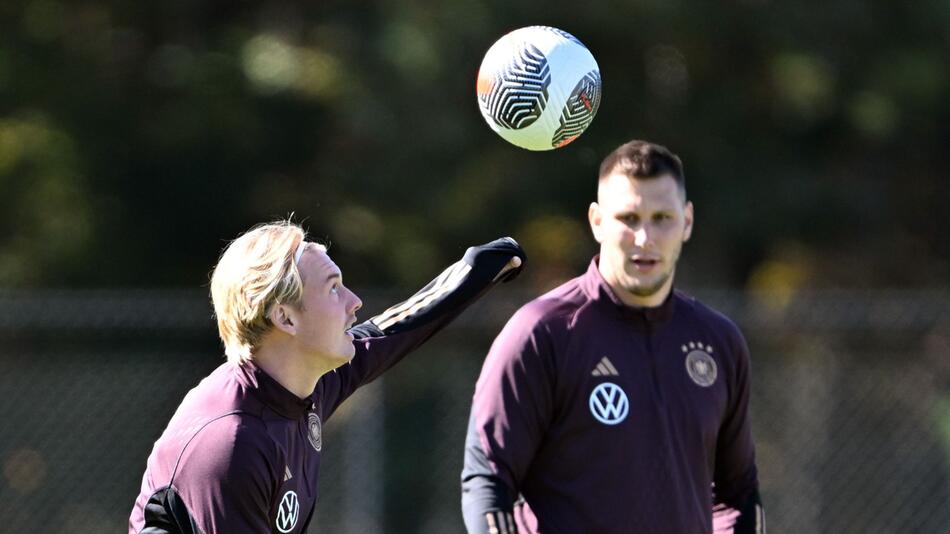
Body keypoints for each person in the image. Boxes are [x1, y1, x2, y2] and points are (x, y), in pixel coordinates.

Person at [129, 220, 524, 534]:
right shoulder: (232, 444)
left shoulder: (300, 381)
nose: (355, 304)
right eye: (334, 289)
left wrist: (474, 272)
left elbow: (390, 332)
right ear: (285, 317)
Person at [461, 140, 765, 534]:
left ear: (687, 221)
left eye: (662, 218)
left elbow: (738, 494)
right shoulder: (541, 332)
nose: (644, 238)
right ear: (597, 221)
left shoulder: (719, 341)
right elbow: (488, 480)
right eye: (629, 218)